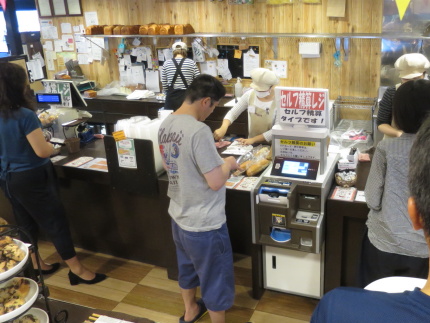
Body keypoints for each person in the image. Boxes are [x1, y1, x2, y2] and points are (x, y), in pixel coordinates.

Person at [310, 114, 430, 323]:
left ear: (416, 215)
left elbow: (372, 199)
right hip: (420, 251)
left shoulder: (337, 306)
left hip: (384, 242)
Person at [0, 63, 106, 285]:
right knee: (55, 221)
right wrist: (54, 148)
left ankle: (37, 263)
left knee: (24, 220)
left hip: (7, 178)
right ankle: (77, 270)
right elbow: (42, 151)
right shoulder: (25, 115)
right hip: (31, 176)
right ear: (15, 86)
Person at [158, 74, 240, 323]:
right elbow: (215, 182)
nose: (211, 112)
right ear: (206, 101)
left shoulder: (166, 123)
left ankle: (191, 310)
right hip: (205, 223)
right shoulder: (198, 130)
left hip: (179, 216)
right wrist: (229, 163)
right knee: (215, 278)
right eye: (214, 106)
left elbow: (171, 165)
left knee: (187, 268)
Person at [360, 79, 430, 288]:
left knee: (377, 298)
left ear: (398, 112)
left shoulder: (386, 148)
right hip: (423, 248)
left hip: (385, 242)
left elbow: (372, 199)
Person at [213, 68, 280, 145]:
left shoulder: (279, 101)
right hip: (252, 143)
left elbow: (276, 130)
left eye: (261, 90)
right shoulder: (249, 95)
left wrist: (253, 139)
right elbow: (233, 113)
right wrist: (223, 127)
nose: (258, 92)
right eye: (256, 89)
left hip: (272, 145)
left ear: (272, 87)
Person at [377, 53, 429, 138]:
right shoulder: (392, 92)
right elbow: (381, 123)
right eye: (406, 79)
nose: (410, 83)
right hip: (395, 143)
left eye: (415, 79)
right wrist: (399, 134)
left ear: (424, 74)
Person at [161, 41, 200, 111]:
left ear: (173, 52)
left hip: (171, 98)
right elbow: (199, 81)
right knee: (186, 120)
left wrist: (169, 91)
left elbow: (164, 83)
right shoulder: (191, 63)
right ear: (185, 51)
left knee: (171, 120)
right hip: (187, 98)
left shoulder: (166, 63)